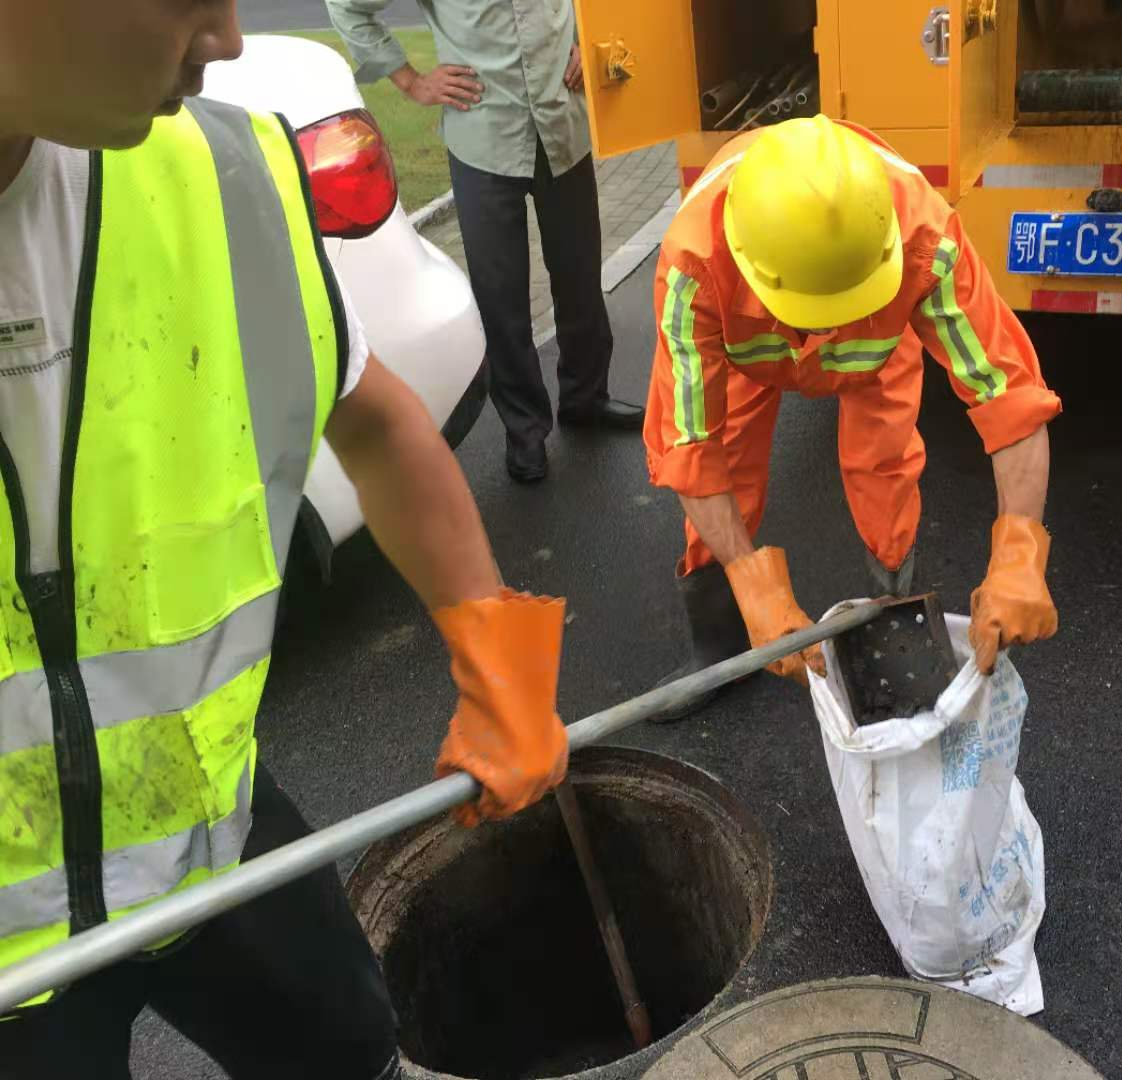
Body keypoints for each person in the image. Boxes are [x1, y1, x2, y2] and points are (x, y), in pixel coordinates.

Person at [0, 2, 568, 1076]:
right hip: (10, 973)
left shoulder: (214, 176)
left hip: (211, 823)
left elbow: (376, 423)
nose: (225, 38)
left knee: (352, 1046)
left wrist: (507, 672)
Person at [646, 115, 1061, 718]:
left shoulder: (926, 237)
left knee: (885, 467)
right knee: (727, 467)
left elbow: (1011, 398)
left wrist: (1022, 553)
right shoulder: (694, 265)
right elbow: (691, 448)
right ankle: (720, 645)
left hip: (879, 352)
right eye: (813, 314)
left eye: (841, 308)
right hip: (747, 359)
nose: (827, 331)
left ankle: (893, 622)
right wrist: (751, 581)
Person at [326, 0, 644, 484]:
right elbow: (348, 6)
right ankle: (525, 432)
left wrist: (588, 34)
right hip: (484, 137)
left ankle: (586, 398)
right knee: (502, 297)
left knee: (580, 275)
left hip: (563, 123)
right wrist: (412, 82)